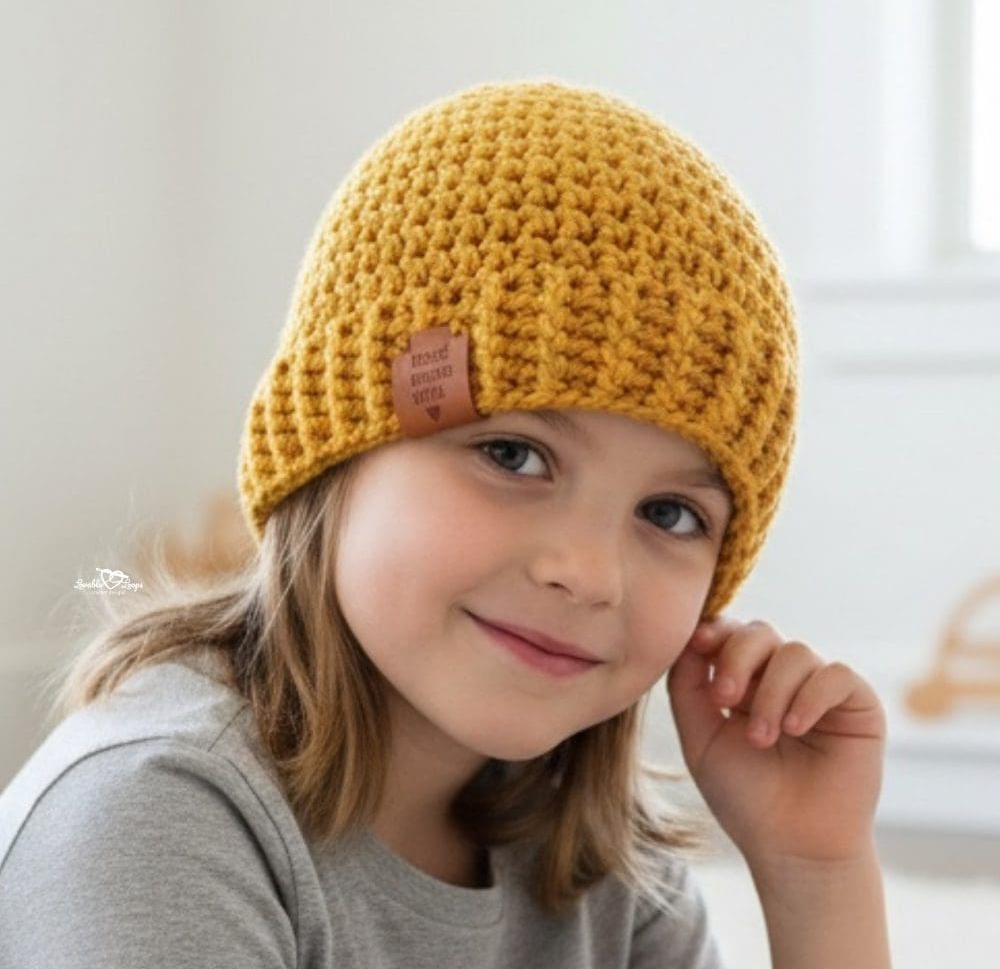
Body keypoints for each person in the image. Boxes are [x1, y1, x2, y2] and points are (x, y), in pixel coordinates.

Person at [0, 78, 892, 968]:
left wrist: (815, 874)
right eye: (513, 455)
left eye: (669, 513)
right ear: (331, 452)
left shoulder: (608, 871)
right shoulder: (156, 818)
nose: (588, 572)